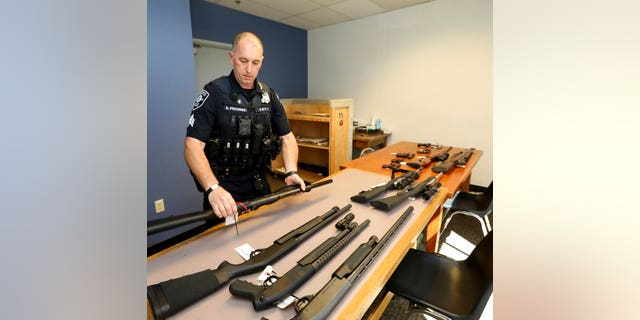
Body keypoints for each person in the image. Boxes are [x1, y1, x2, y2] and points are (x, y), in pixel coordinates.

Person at [184, 32, 305, 222]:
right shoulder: (214, 93)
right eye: (243, 60)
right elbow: (192, 146)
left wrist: (291, 172)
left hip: (259, 186)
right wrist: (213, 189)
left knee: (262, 239)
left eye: (255, 63)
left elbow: (287, 137)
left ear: (262, 61)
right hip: (224, 190)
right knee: (223, 247)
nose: (249, 69)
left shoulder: (269, 95)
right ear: (231, 58)